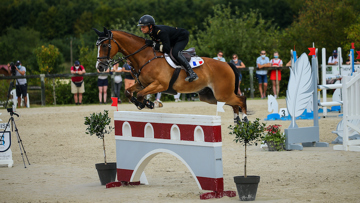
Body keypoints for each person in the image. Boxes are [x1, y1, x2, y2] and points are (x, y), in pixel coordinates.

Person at [138, 15, 198, 82]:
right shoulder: (151, 32)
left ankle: (192, 73)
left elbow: (166, 49)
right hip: (173, 39)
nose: (141, 29)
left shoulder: (161, 32)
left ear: (150, 26)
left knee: (175, 53)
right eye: (141, 27)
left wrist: (153, 44)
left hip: (182, 37)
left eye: (143, 27)